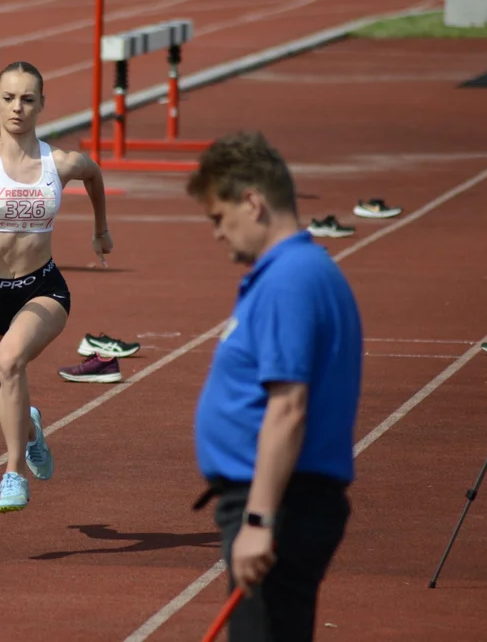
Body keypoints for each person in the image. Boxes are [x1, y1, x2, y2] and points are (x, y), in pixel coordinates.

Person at [186, 131, 361, 641]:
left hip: (279, 504)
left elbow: (288, 406)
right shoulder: (300, 272)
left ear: (253, 202)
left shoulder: (290, 279)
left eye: (219, 218)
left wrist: (259, 521)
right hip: (282, 500)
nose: (218, 234)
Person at [0, 61, 112, 513]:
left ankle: (13, 473)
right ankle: (32, 430)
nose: (18, 107)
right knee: (3, 385)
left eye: (28, 99)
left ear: (41, 105)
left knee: (11, 360)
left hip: (42, 289)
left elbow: (93, 174)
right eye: (10, 98)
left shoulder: (58, 163)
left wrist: (101, 230)